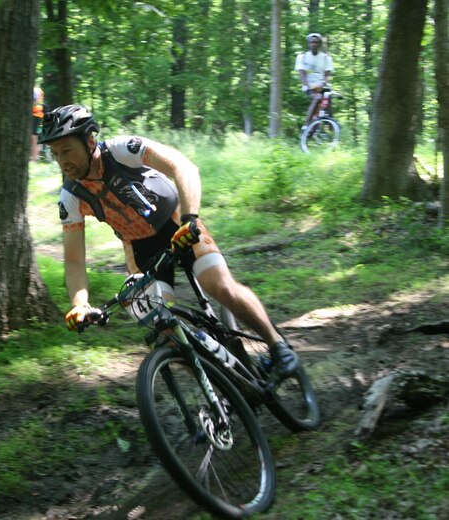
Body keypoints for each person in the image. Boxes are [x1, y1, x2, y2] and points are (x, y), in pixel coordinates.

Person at [39, 105, 299, 376]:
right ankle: (222, 385)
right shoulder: (70, 197)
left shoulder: (121, 150)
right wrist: (79, 303)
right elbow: (74, 259)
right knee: (162, 325)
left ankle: (278, 346)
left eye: (67, 150)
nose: (62, 161)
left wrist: (191, 219)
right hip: (140, 248)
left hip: (177, 224)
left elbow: (183, 166)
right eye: (55, 154)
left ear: (89, 140)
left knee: (219, 286)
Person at [295, 33, 335, 130]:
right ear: (308, 43)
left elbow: (327, 74)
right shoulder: (302, 57)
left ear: (319, 44)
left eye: (316, 42)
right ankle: (306, 124)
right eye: (312, 42)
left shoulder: (326, 58)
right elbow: (301, 73)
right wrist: (308, 85)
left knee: (324, 105)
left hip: (322, 86)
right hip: (310, 86)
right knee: (317, 98)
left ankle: (321, 129)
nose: (314, 44)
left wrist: (323, 83)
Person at [31, 87, 46, 162]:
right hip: (36, 114)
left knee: (33, 136)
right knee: (33, 136)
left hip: (36, 115)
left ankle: (35, 158)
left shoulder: (35, 90)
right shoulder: (36, 89)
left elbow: (34, 102)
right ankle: (34, 157)